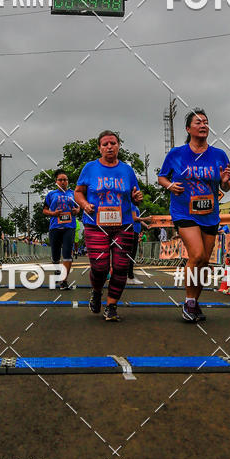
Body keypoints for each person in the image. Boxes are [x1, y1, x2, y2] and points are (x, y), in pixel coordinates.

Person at [158, 108, 230, 323]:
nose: (203, 126)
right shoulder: (177, 154)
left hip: (209, 213)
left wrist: (225, 180)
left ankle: (194, 301)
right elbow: (162, 178)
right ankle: (189, 302)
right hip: (184, 211)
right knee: (197, 255)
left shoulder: (219, 155)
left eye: (206, 122)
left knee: (204, 262)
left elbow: (226, 187)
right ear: (188, 129)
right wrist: (171, 185)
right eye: (198, 122)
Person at [74, 130, 143, 321]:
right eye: (105, 144)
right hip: (96, 224)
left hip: (124, 224)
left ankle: (111, 306)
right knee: (100, 267)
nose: (109, 146)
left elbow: (135, 196)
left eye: (113, 143)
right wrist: (85, 204)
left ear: (119, 145)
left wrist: (137, 198)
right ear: (99, 148)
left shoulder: (127, 170)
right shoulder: (90, 168)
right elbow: (78, 192)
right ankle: (97, 292)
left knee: (121, 267)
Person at [42, 169, 80, 289]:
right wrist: (53, 213)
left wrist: (76, 211)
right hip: (55, 227)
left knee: (67, 253)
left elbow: (79, 207)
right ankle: (57, 270)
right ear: (56, 181)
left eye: (65, 180)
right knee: (55, 255)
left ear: (68, 181)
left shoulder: (73, 194)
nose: (63, 182)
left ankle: (64, 281)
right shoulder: (51, 194)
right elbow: (44, 210)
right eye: (60, 180)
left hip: (69, 227)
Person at [127, 204, 151, 285]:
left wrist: (146, 225)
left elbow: (139, 219)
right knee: (131, 255)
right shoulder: (131, 205)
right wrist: (146, 218)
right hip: (132, 231)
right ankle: (130, 277)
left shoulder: (135, 206)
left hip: (135, 232)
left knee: (132, 255)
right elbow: (135, 218)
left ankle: (129, 276)